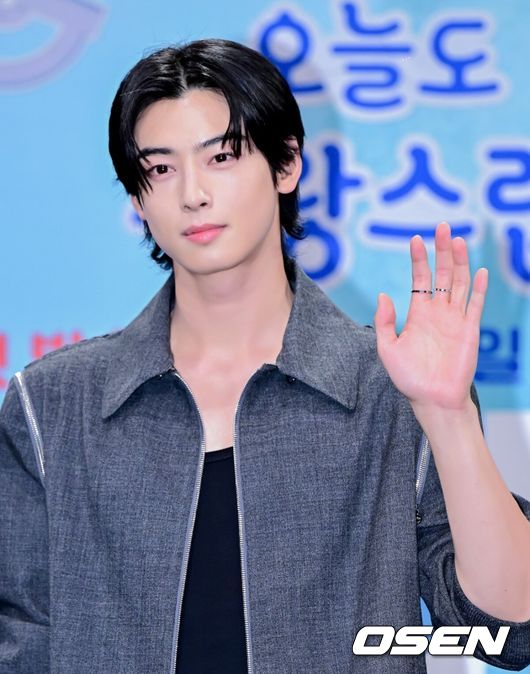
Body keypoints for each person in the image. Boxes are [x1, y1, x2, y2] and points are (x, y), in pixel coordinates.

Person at [1, 38, 529, 674]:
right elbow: (21, 643)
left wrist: (447, 417)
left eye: (221, 157)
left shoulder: (391, 387)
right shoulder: (52, 405)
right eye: (160, 169)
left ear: (287, 165)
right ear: (137, 199)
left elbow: (507, 630)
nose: (192, 194)